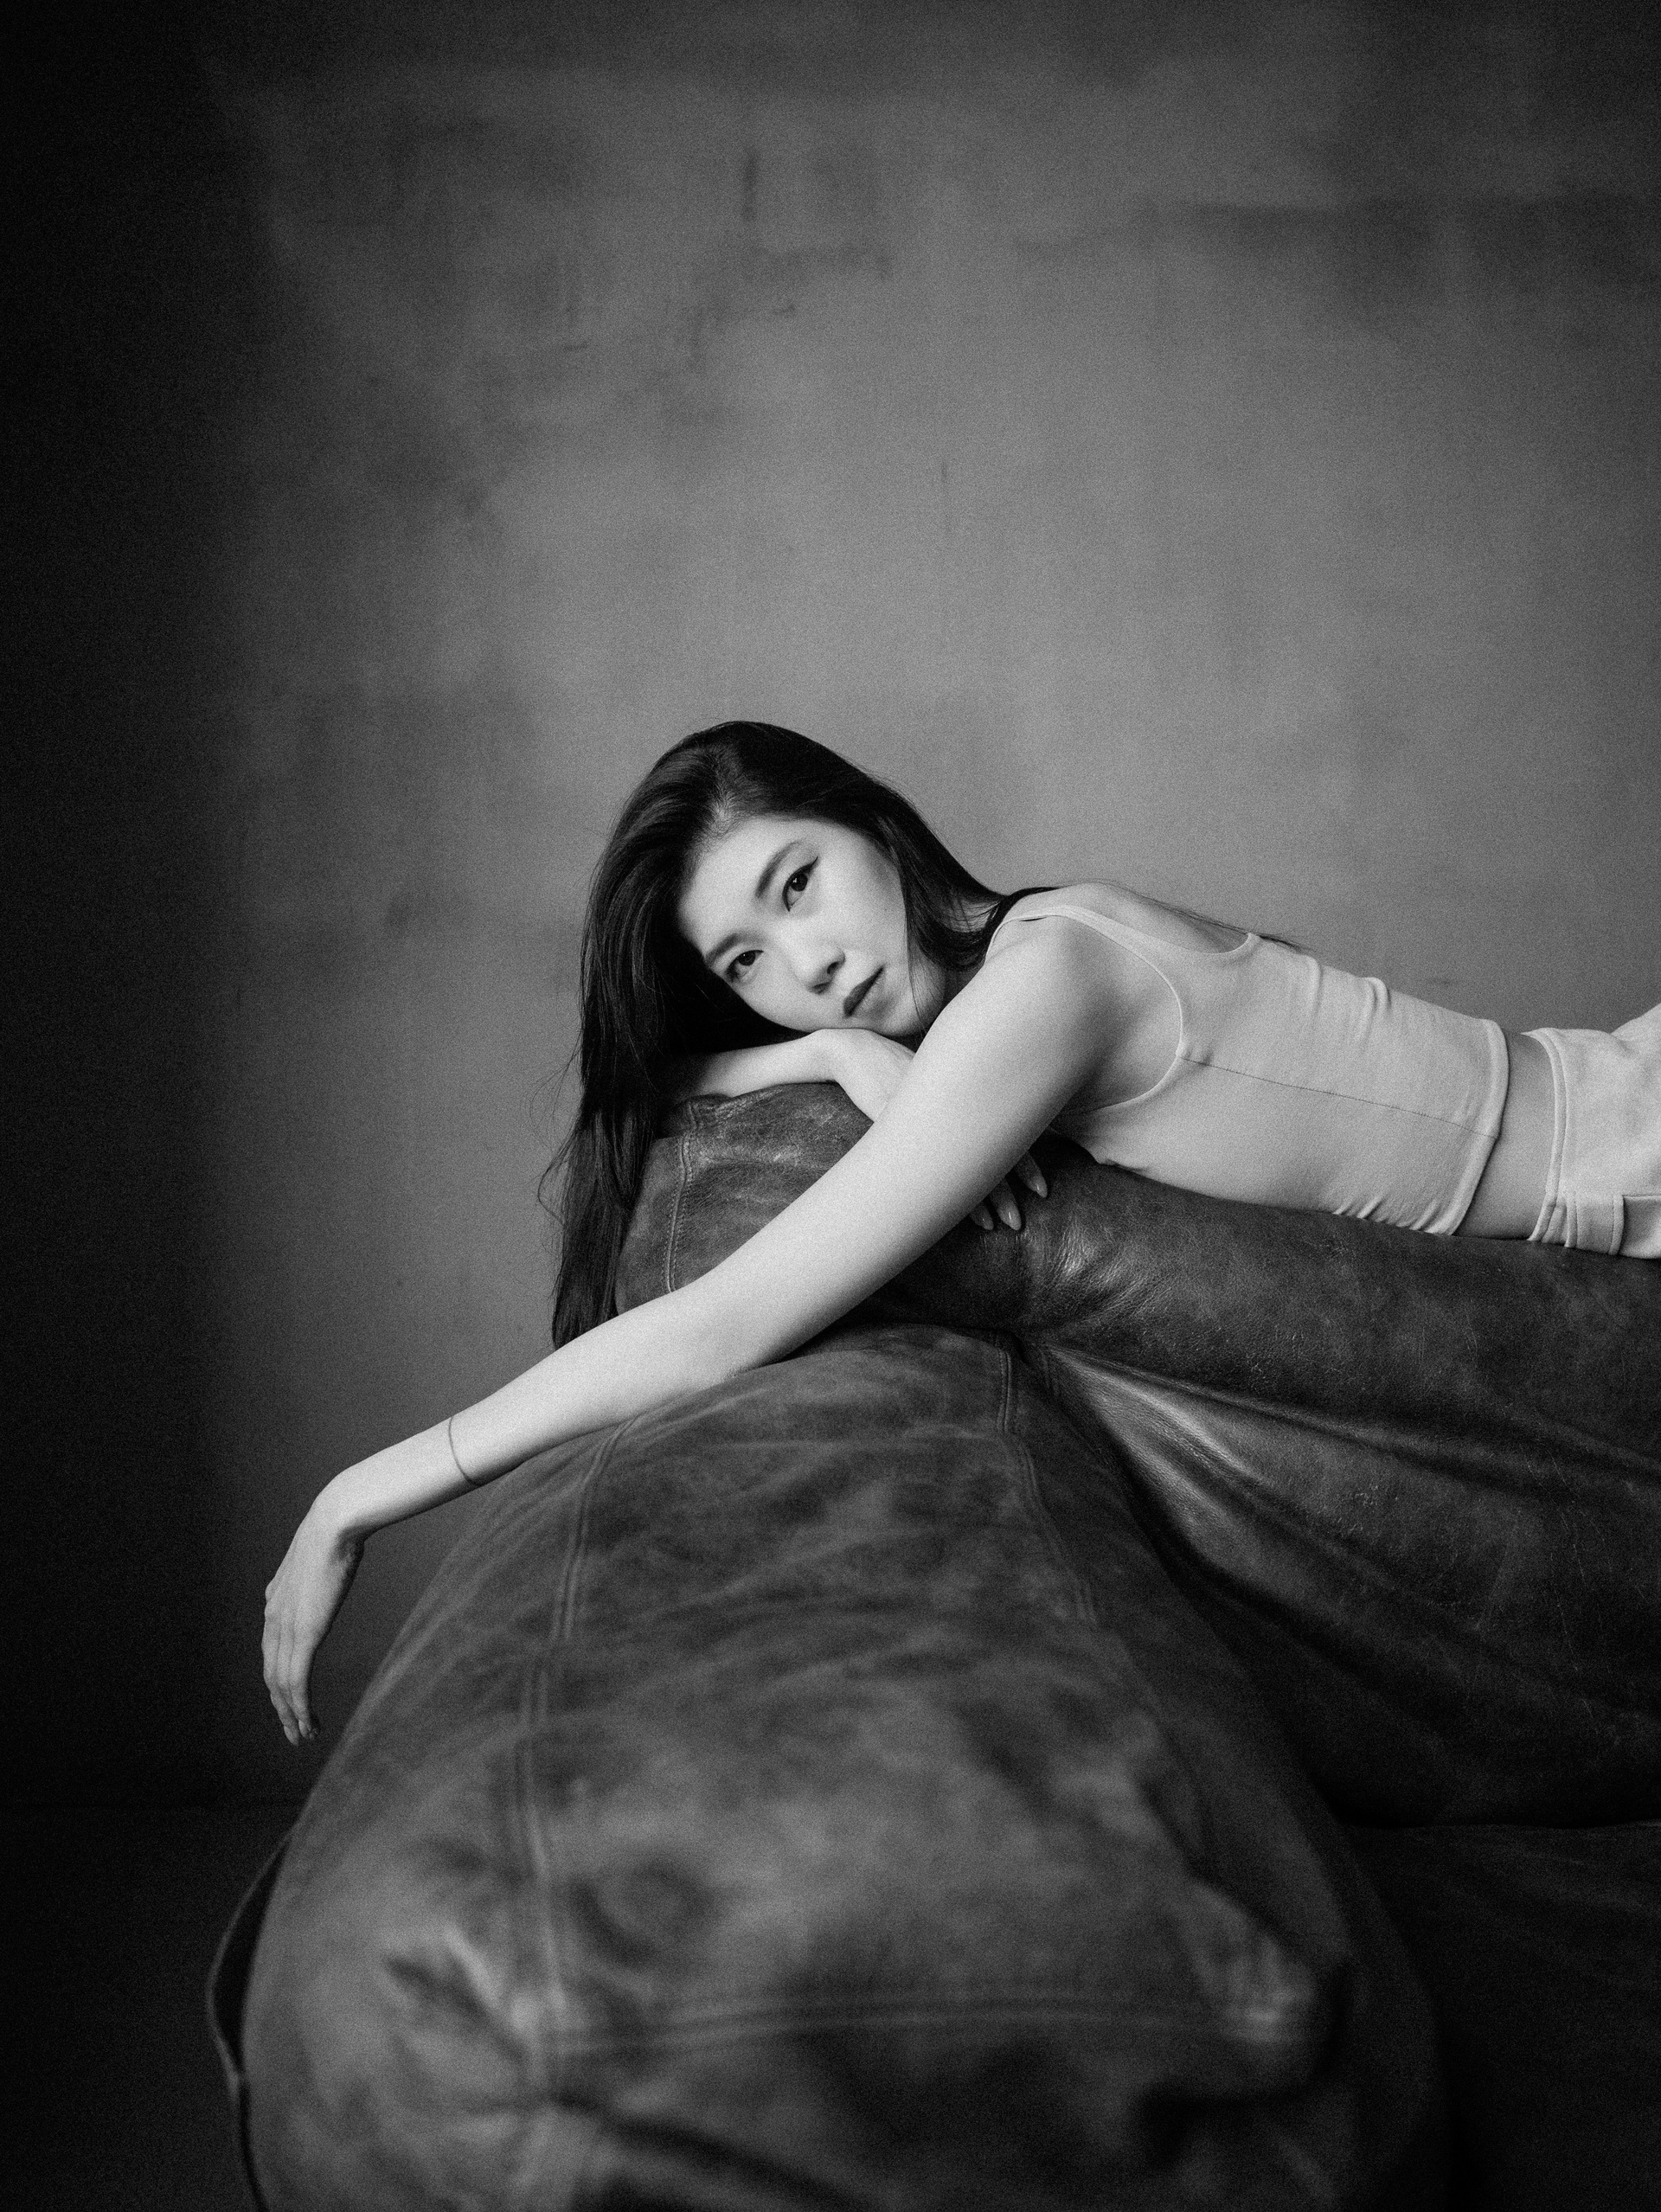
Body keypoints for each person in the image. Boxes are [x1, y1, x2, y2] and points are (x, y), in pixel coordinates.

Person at [262, 721, 1661, 1743]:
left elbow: (724, 1323)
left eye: (797, 882)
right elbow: (662, 1074)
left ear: (872, 824)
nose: (808, 962)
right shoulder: (1026, 950)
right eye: (748, 960)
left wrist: (358, 1492)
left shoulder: (1046, 986)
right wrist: (827, 1055)